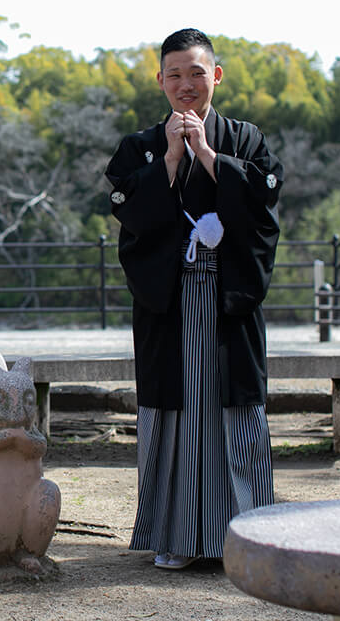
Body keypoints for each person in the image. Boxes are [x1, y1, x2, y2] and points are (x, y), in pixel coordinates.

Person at [104, 29, 282, 571]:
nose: (186, 84)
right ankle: (174, 535)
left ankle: (247, 537)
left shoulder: (245, 139)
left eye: (196, 72)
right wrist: (171, 161)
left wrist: (206, 154)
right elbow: (125, 209)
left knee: (235, 413)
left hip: (227, 299)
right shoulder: (139, 147)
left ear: (216, 76)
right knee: (172, 413)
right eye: (175, 74)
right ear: (160, 80)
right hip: (170, 299)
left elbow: (263, 200)